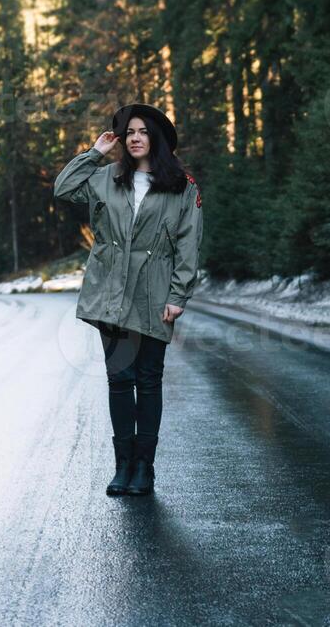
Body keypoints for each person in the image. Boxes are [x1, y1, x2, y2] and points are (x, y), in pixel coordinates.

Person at [52, 102, 204, 496]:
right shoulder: (106, 178)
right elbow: (63, 188)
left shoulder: (182, 187)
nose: (135, 138)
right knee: (120, 380)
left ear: (157, 138)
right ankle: (122, 467)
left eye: (143, 132)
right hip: (111, 294)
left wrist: (178, 294)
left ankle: (144, 468)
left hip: (155, 294)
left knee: (149, 381)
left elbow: (188, 244)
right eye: (129, 133)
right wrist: (94, 152)